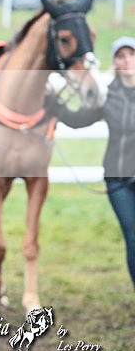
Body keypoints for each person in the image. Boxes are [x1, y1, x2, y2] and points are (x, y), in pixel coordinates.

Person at [48, 35, 135, 288]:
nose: (126, 60)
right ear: (115, 62)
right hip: (118, 180)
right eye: (121, 56)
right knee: (132, 238)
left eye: (131, 55)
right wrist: (53, 102)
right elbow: (78, 120)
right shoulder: (107, 95)